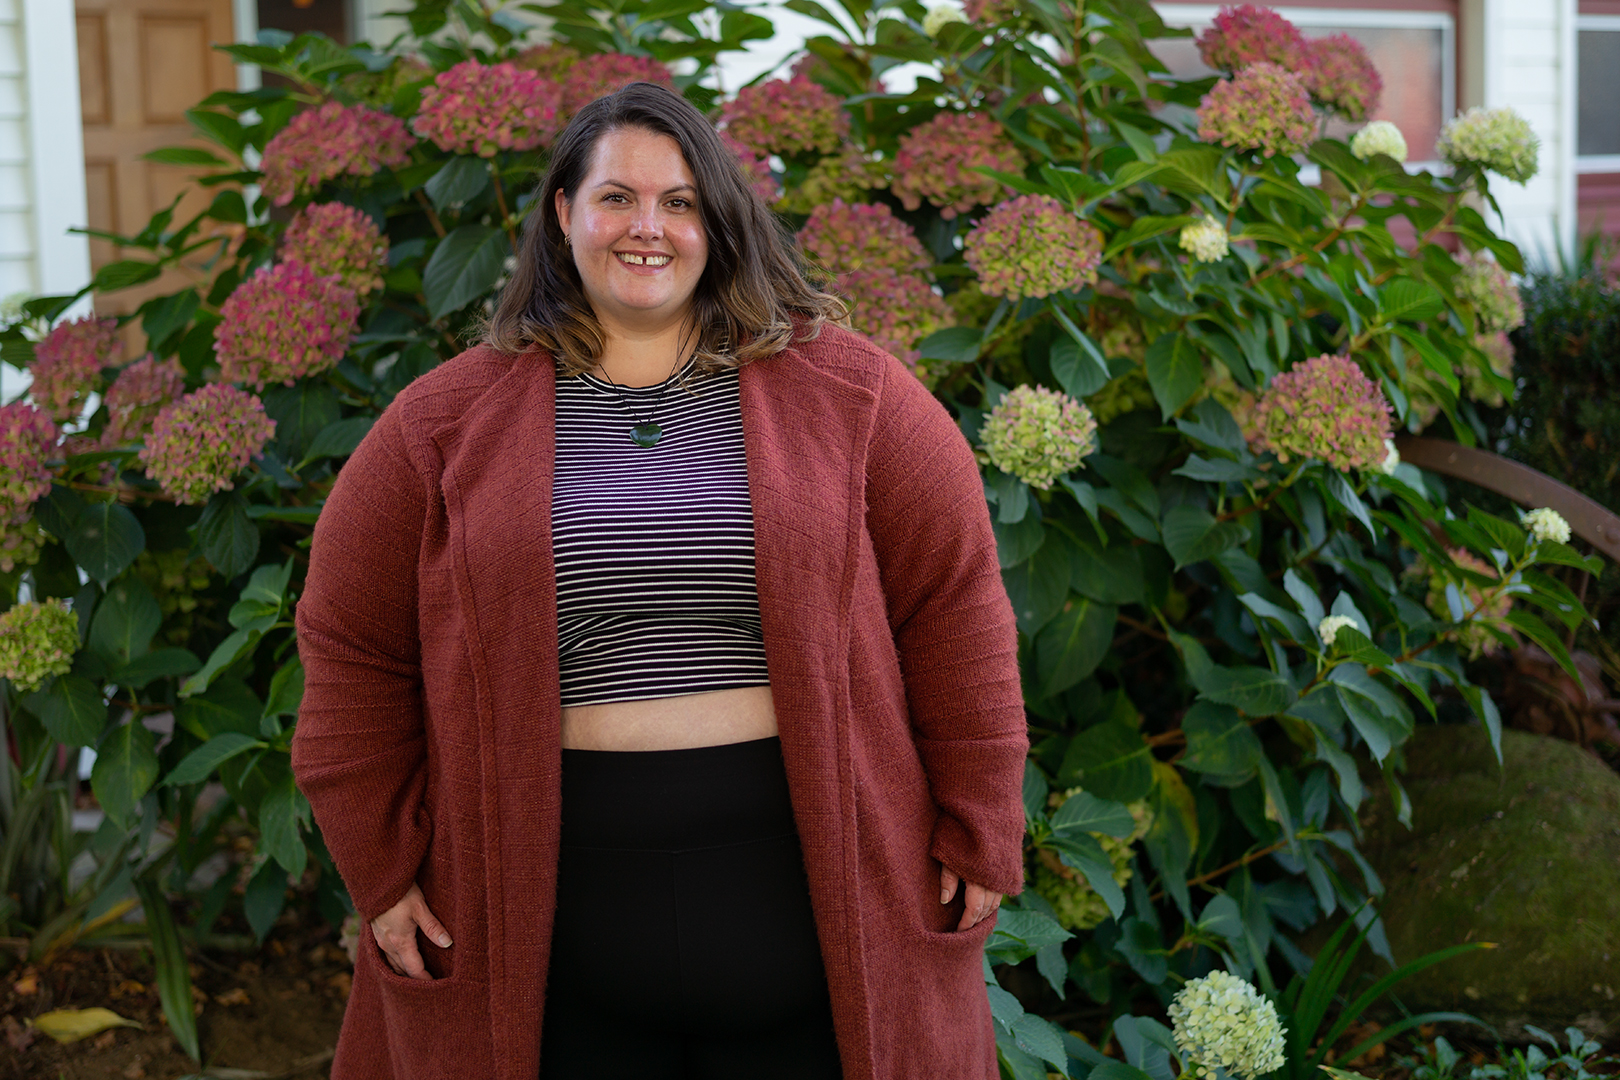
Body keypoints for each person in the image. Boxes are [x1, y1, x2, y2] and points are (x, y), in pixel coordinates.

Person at [291, 81, 1028, 1080]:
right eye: (617, 198)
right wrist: (380, 868)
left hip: (817, 909)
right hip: (555, 939)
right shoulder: (442, 426)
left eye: (680, 202)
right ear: (564, 213)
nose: (650, 228)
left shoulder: (853, 396)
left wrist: (981, 820)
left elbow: (957, 603)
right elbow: (348, 637)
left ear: (719, 223)